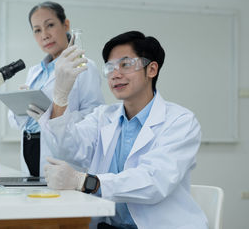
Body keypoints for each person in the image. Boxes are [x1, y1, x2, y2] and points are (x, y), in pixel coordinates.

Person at [38, 31, 208, 229]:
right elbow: (68, 150)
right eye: (110, 68)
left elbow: (153, 182)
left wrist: (86, 182)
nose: (115, 74)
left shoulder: (180, 121)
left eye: (126, 65)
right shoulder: (103, 116)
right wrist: (60, 96)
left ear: (152, 69)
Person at [8, 1, 104, 177]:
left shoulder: (84, 66)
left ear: (65, 25)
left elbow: (93, 114)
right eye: (37, 30)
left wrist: (54, 116)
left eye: (50, 25)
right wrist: (20, 105)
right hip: (31, 148)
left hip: (62, 153)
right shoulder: (35, 72)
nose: (44, 35)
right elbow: (16, 122)